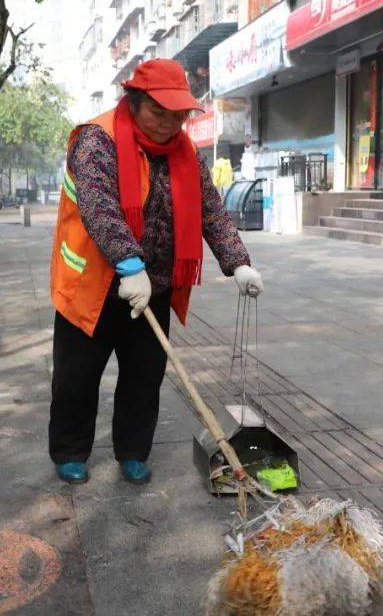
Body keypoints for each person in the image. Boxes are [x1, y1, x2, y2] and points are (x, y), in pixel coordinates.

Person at [48, 58, 264, 486]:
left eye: (177, 115)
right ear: (134, 102)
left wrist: (238, 262)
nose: (168, 124)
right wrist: (130, 265)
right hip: (92, 286)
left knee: (144, 377)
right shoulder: (97, 139)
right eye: (157, 113)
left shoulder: (185, 152)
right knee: (77, 377)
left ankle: (132, 451)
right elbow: (100, 208)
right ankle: (70, 451)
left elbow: (211, 212)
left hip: (155, 288)